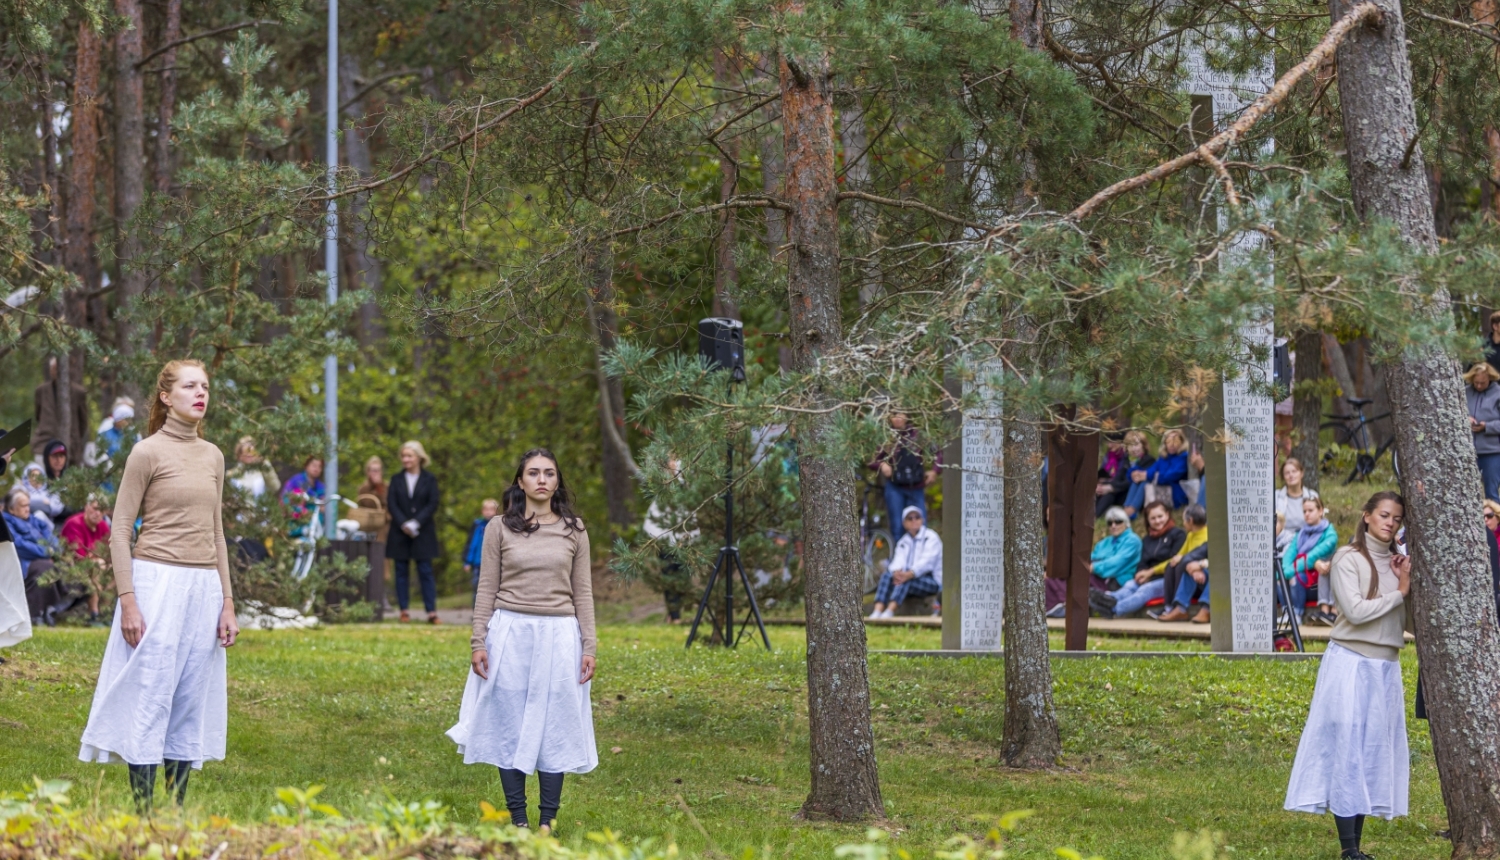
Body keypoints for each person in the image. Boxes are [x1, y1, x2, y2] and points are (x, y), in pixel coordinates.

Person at [77, 361, 237, 813]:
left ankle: (178, 810)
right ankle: (145, 813)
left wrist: (227, 602)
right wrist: (128, 601)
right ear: (167, 397)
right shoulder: (147, 452)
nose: (200, 393)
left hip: (203, 587)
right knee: (150, 692)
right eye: (190, 386)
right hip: (155, 582)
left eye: (205, 386)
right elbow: (120, 528)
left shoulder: (214, 456)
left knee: (189, 696)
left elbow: (218, 531)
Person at [447, 448, 596, 834]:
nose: (542, 479)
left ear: (557, 481)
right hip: (510, 633)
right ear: (520, 481)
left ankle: (547, 821)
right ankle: (518, 820)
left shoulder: (574, 529)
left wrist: (590, 646)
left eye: (549, 473)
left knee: (555, 724)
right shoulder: (498, 527)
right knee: (508, 722)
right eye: (533, 473)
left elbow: (583, 594)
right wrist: (478, 640)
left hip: (560, 635)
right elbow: (486, 587)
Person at [1285, 491, 1411, 859]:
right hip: (1351, 663)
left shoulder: (1398, 564)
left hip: (1385, 666)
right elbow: (1355, 612)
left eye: (1397, 518)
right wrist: (1400, 592)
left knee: (1372, 750)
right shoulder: (1347, 558)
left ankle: (1356, 847)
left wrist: (1409, 583)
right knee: (1348, 749)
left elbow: (1410, 623)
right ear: (1367, 515)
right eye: (1384, 514)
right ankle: (1349, 848)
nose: (1390, 523)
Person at [1090, 501, 1184, 618]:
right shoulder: (1147, 540)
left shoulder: (1179, 535)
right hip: (1148, 577)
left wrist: (1150, 573)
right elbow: (1142, 561)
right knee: (1130, 585)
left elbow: (1174, 562)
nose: (1157, 521)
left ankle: (1114, 609)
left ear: (1167, 514)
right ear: (1148, 521)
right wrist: (1141, 573)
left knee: (1144, 590)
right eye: (1153, 518)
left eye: (1160, 517)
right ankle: (1108, 598)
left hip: (1168, 579)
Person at [387, 440, 440, 624]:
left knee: (425, 571)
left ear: (419, 457)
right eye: (403, 456)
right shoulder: (396, 479)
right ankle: (404, 611)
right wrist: (404, 524)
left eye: (409, 455)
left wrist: (417, 523)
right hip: (400, 533)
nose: (406, 459)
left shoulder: (429, 479)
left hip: (423, 532)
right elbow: (392, 504)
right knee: (401, 571)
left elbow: (433, 503)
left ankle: (431, 612)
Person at [868, 413, 940, 535]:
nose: (897, 418)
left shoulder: (917, 435)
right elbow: (871, 460)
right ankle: (899, 552)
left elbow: (938, 452)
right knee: (897, 525)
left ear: (906, 415)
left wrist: (935, 471)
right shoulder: (886, 436)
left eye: (900, 414)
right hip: (895, 487)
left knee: (919, 525)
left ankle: (921, 553)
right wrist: (882, 465)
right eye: (894, 415)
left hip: (916, 487)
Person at [869, 506, 942, 619]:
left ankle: (890, 610)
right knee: (887, 575)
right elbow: (898, 560)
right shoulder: (904, 541)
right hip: (909, 579)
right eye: (910, 518)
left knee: (905, 579)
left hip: (932, 581)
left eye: (917, 517)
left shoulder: (931, 537)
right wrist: (896, 572)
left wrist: (909, 574)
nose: (914, 520)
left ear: (922, 520)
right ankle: (877, 610)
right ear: (904, 523)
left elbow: (927, 562)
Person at [1283, 496, 1339, 626]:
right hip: (1305, 580)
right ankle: (1290, 613)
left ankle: (1327, 610)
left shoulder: (1330, 535)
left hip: (1320, 582)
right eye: (1304, 511)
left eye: (1310, 510)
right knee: (1283, 579)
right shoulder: (1300, 534)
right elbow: (1287, 558)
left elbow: (1310, 558)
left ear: (1320, 511)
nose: (1307, 514)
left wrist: (1290, 570)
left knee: (1326, 564)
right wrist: (1286, 571)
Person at [1149, 505, 1210, 621]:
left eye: (1183, 520)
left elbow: (1224, 562)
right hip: (1199, 578)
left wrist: (1201, 565)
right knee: (1179, 564)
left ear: (1190, 520)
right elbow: (1191, 555)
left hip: (1210, 579)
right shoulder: (1192, 535)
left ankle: (1206, 610)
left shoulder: (1207, 535)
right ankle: (1177, 608)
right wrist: (1192, 565)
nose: (1183, 524)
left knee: (1185, 564)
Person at [60, 495, 111, 626]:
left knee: (115, 569)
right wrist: (99, 558)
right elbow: (79, 556)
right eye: (94, 508)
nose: (98, 513)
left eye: (102, 510)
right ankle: (93, 612)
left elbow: (109, 553)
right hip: (71, 566)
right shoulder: (74, 523)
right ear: (86, 507)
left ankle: (105, 612)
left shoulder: (103, 526)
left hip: (98, 565)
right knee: (97, 565)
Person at [31, 355, 89, 464]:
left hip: (70, 448)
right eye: (53, 368)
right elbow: (38, 415)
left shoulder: (78, 392)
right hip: (44, 444)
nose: (56, 372)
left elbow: (83, 422)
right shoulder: (41, 391)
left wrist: (74, 438)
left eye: (59, 368)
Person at [1466, 362, 1500, 502]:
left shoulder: (1498, 394)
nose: (1479, 386)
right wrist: (1465, 419)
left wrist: (1487, 426)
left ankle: (1494, 523)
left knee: (1491, 492)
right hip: (1467, 451)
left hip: (1492, 452)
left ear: (1490, 379)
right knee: (1466, 492)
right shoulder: (1464, 392)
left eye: (1483, 383)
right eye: (1476, 383)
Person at [3, 489, 57, 577]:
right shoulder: (6, 523)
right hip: (26, 562)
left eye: (28, 505)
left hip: (44, 555)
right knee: (47, 568)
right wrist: (46, 552)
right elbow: (19, 545)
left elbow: (49, 534)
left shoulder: (32, 519)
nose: (27, 509)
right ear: (11, 509)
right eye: (23, 506)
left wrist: (55, 550)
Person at [1088, 506, 1142, 592]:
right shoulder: (1105, 542)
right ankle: (1062, 603)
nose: (1113, 526)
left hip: (1117, 580)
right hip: (1100, 575)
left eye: (1118, 522)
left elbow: (1117, 562)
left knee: (1080, 578)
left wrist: (1094, 567)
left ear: (1126, 523)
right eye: (1110, 523)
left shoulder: (1133, 540)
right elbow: (1092, 557)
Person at [1139, 429, 1191, 510]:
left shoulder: (1183, 456)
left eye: (1175, 441)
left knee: (1145, 480)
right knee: (1141, 481)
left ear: (1182, 442)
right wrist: (1138, 474)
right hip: (1163, 491)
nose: (1172, 445)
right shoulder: (1163, 457)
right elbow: (1152, 470)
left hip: (1177, 494)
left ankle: (1132, 509)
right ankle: (1130, 508)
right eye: (1168, 441)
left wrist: (1153, 476)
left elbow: (1171, 475)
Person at [1274, 457, 1320, 543]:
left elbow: (1319, 523)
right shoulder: (1276, 497)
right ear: (1283, 477)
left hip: (1308, 540)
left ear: (1301, 473)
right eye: (1287, 473)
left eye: (1294, 471)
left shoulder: (1312, 495)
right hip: (1283, 542)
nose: (1291, 475)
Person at [281, 456, 326, 537]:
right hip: (296, 521)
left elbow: (323, 503)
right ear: (306, 466)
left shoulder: (320, 485)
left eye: (320, 466)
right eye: (314, 465)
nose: (317, 469)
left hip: (314, 521)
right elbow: (293, 499)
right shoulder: (300, 480)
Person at [464, 498, 500, 592]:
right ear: (482, 511)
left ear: (496, 511)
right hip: (478, 563)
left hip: (494, 563)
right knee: (477, 587)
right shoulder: (477, 525)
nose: (488, 512)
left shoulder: (499, 525)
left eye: (491, 509)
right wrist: (467, 561)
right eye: (486, 509)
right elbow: (472, 544)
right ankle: (476, 606)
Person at [17, 460, 65, 527]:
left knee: (39, 515)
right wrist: (42, 503)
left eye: (39, 476)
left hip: (47, 527)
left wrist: (49, 506)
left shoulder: (48, 492)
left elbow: (57, 507)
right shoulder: (22, 491)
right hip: (25, 525)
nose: (37, 479)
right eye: (33, 475)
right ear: (27, 478)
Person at [1119, 431, 1156, 519]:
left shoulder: (1149, 460)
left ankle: (1132, 509)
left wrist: (1137, 474)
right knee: (1135, 482)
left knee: (1143, 482)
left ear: (1143, 445)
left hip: (1146, 494)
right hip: (1127, 492)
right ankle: (1127, 508)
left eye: (1136, 444)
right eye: (1131, 445)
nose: (1134, 448)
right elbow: (1121, 478)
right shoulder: (1125, 461)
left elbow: (1150, 476)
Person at [1095, 432, 1130, 518]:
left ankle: (1095, 516)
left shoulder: (1126, 458)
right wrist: (1099, 485)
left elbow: (1127, 481)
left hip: (1120, 492)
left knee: (1108, 495)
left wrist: (1111, 487)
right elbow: (1102, 474)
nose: (1110, 445)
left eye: (1112, 442)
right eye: (1108, 442)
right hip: (1106, 486)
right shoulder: (1108, 456)